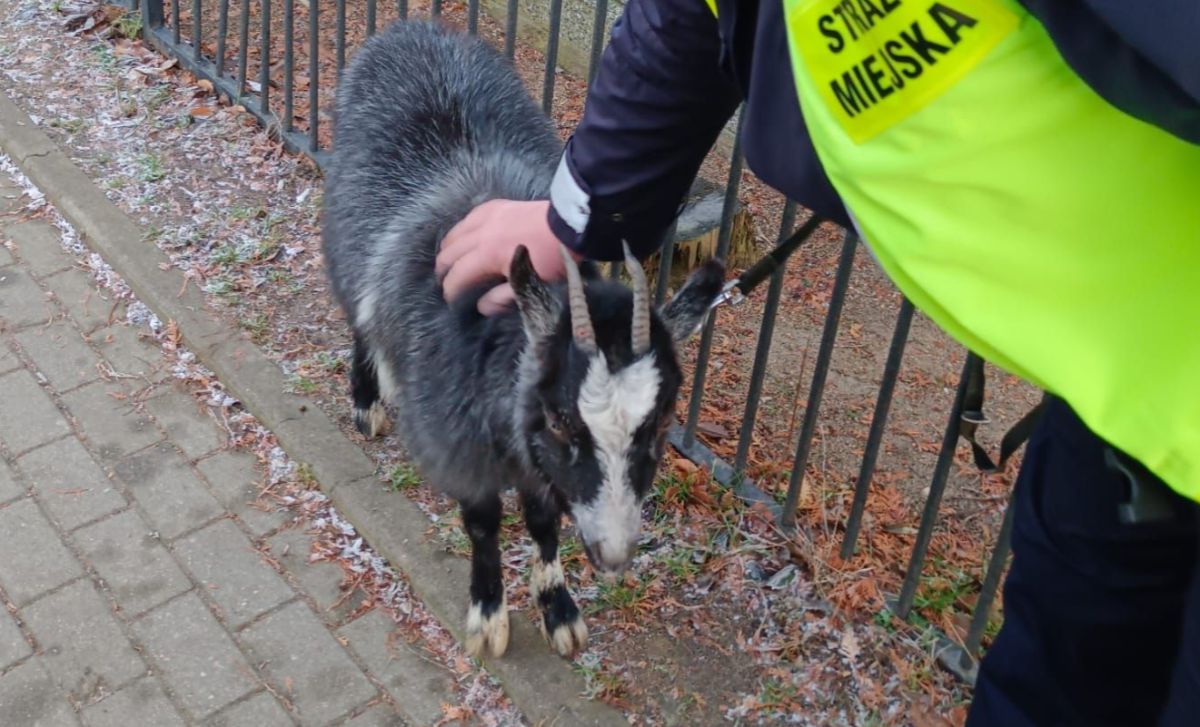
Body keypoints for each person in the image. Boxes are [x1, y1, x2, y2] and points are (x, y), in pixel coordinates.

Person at [435, 2, 1200, 724]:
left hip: (1161, 381)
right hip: (1122, 406)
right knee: (1048, 684)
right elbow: (696, 15)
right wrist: (576, 213)